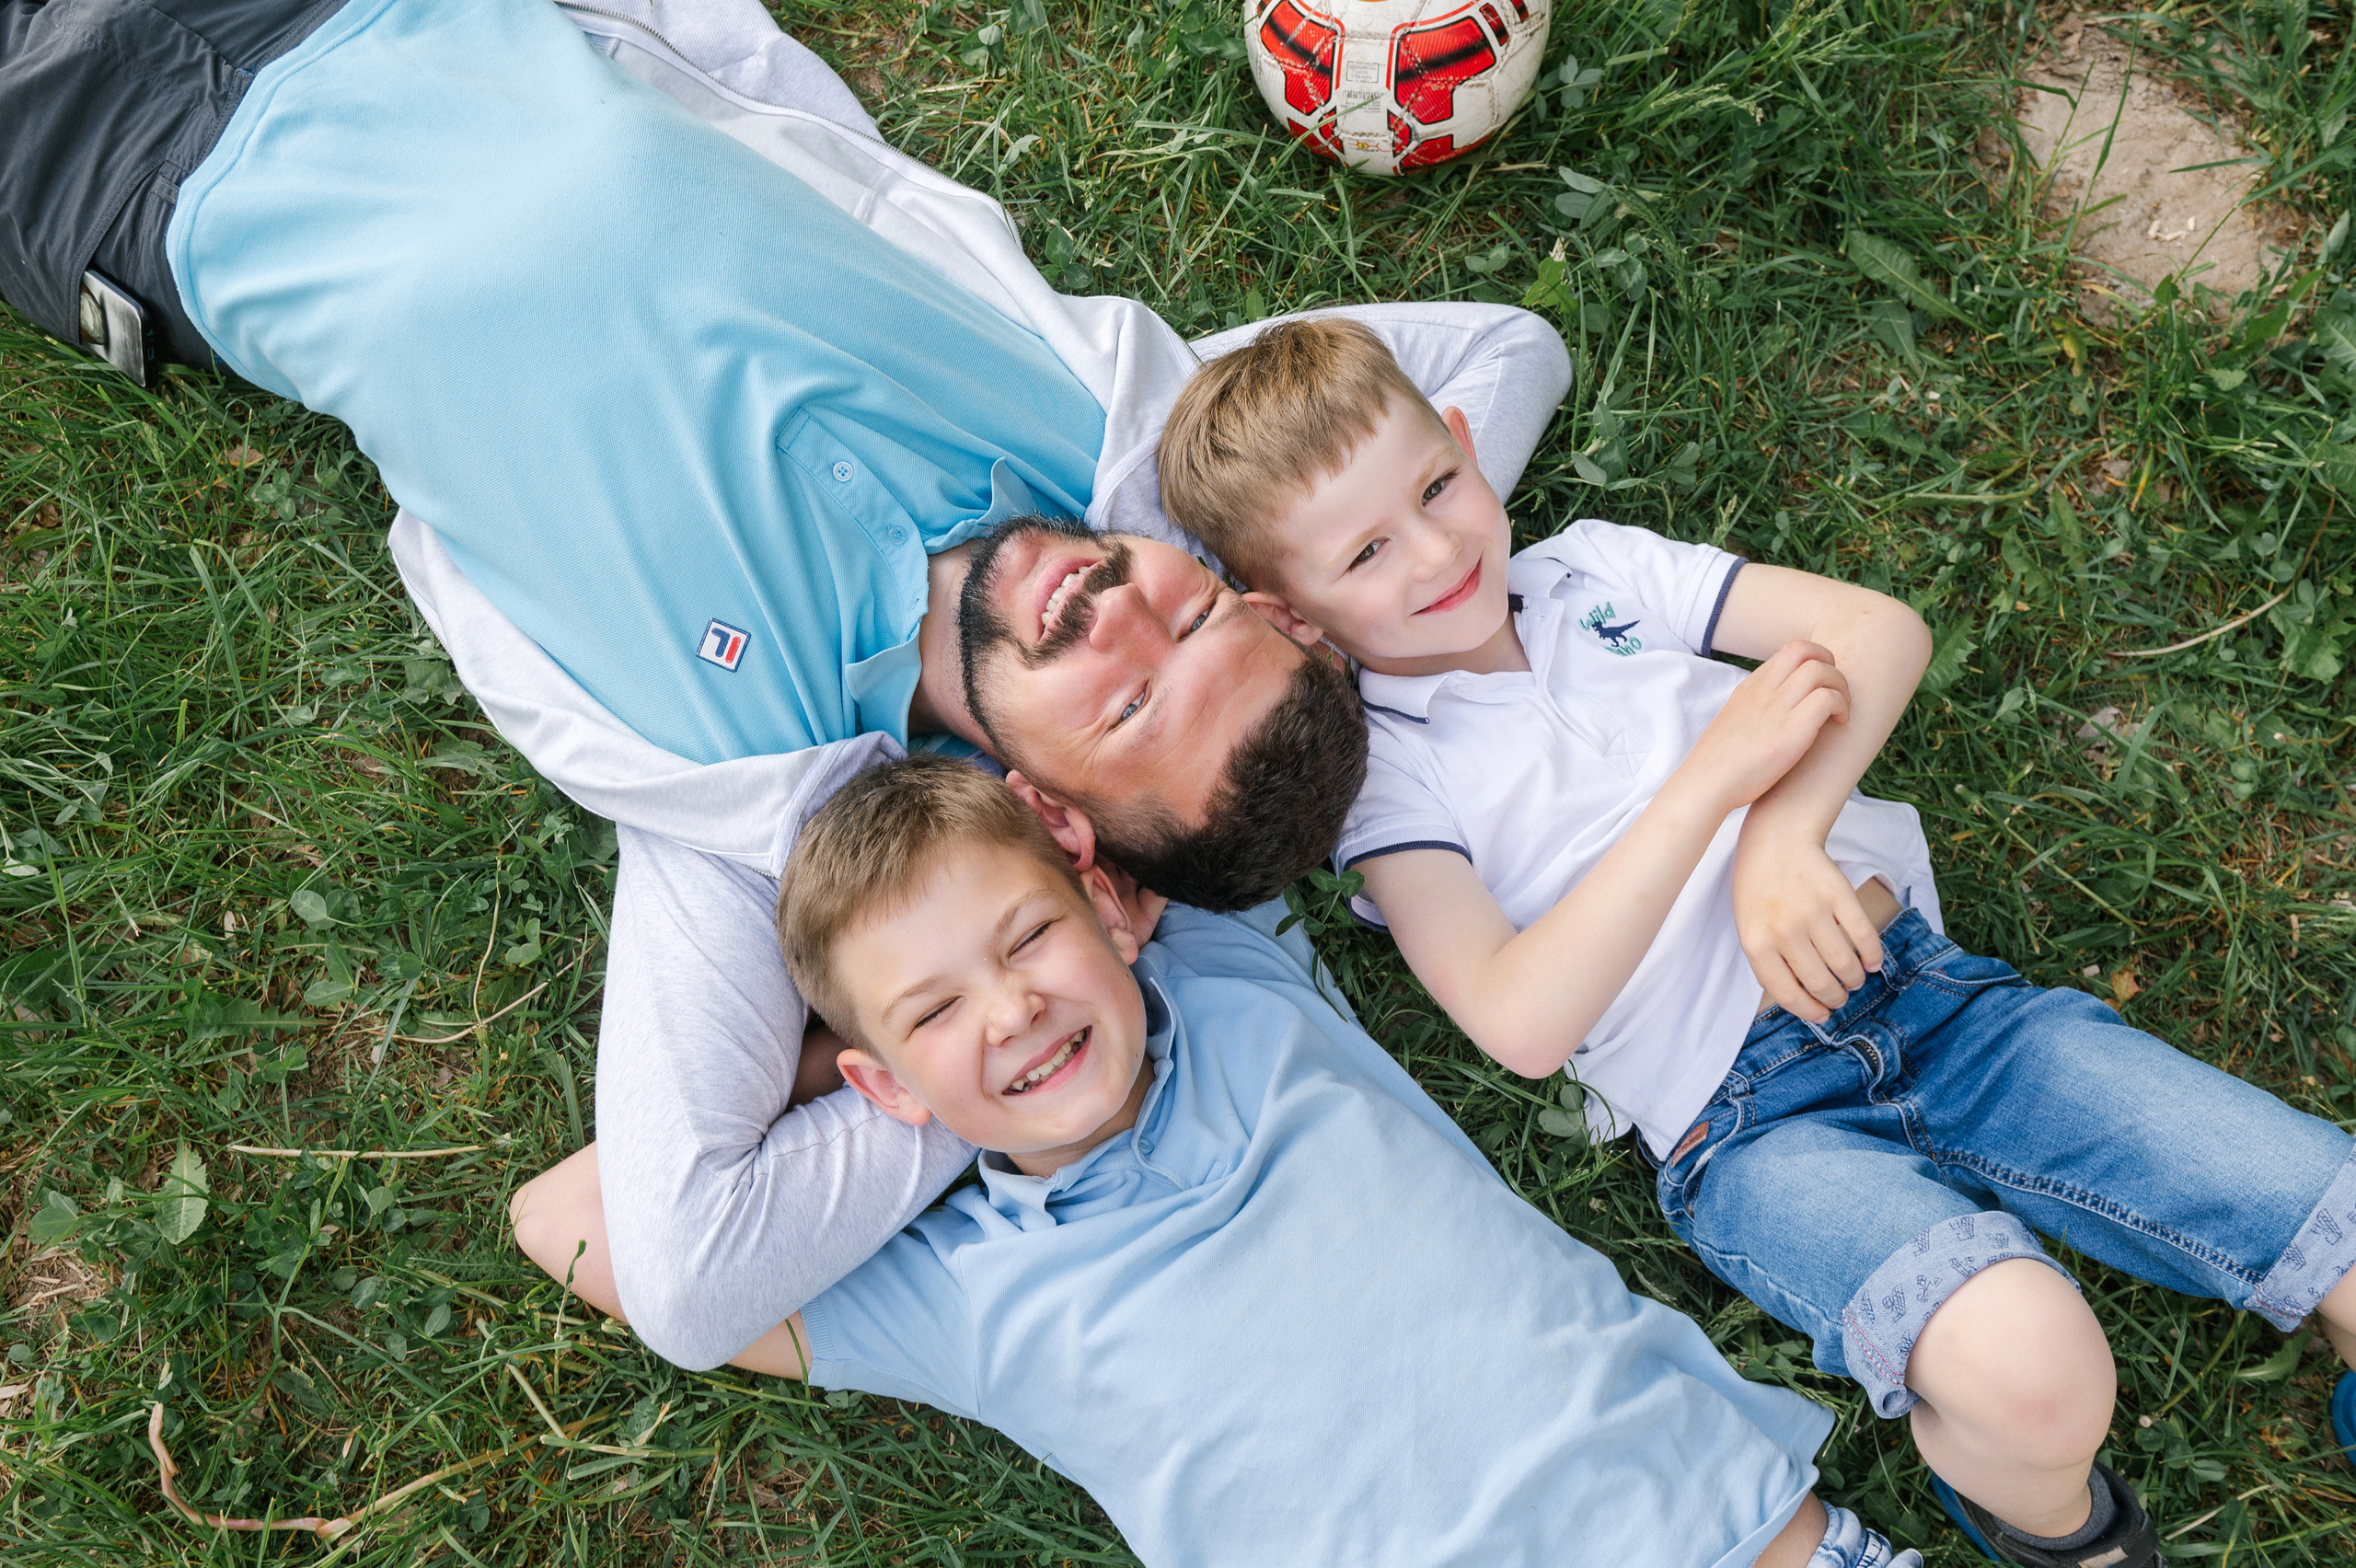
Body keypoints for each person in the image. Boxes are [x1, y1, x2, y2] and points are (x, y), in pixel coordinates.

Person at [3, 0, 1569, 1360]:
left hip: (118, 168)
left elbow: (690, 1274)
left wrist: (1073, 981)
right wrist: (1354, 605)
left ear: (1055, 820)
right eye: (1201, 617)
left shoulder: (742, 789)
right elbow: (1505, 352)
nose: (1116, 609)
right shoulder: (1122, 436)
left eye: (1128, 702)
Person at [1153, 317, 2356, 1568]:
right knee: (2036, 1371)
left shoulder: (1591, 573)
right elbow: (1518, 1019)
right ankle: (2066, 1536)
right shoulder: (1386, 777)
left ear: (1463, 442)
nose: (1436, 550)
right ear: (1289, 615)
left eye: (1438, 487)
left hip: (1939, 1009)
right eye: (1364, 553)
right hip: (1753, 1127)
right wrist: (1708, 787)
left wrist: (1782, 841)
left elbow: (1879, 633)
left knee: (2334, 1207)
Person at [743, 750, 1923, 1568]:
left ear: (1106, 905)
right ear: (879, 1084)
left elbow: (1187, 758)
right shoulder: (965, 1291)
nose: (1009, 1012)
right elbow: (599, 1232)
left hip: (1722, 1533)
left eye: (1031, 935)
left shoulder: (1231, 979)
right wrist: (888, 1068)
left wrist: (943, 1010)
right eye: (936, 1010)